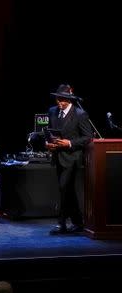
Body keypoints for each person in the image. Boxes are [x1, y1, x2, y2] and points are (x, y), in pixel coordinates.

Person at [46, 83, 92, 235]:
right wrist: (48, 143)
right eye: (58, 99)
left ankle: (61, 224)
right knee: (69, 191)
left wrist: (70, 143)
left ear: (70, 100)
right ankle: (78, 222)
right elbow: (49, 133)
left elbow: (88, 137)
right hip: (58, 156)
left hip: (72, 158)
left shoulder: (80, 114)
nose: (60, 102)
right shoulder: (52, 112)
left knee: (64, 188)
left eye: (63, 100)